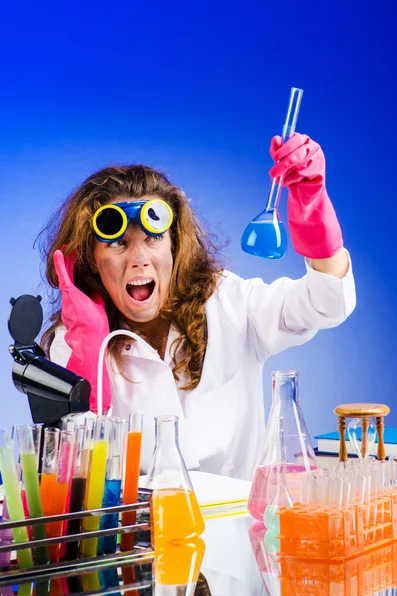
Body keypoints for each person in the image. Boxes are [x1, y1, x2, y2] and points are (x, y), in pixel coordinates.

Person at [41, 133, 356, 480]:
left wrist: (312, 207)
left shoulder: (227, 303)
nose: (139, 260)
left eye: (153, 238)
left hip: (238, 527)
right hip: (139, 532)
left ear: (175, 245)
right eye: (117, 244)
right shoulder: (71, 341)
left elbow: (326, 303)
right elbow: (71, 477)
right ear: (90, 260)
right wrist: (86, 365)